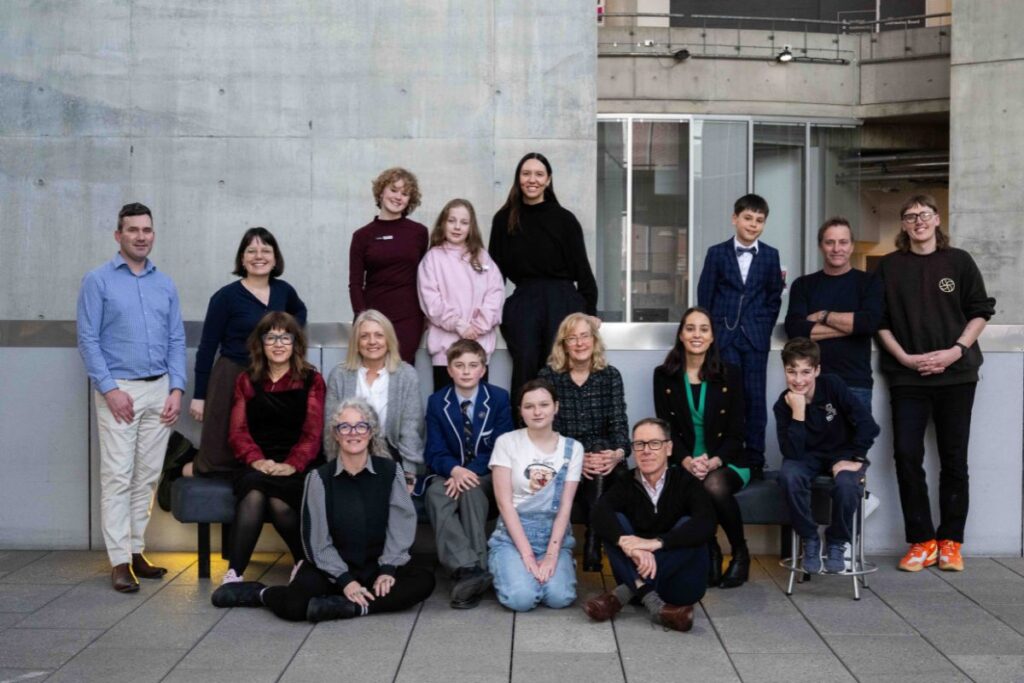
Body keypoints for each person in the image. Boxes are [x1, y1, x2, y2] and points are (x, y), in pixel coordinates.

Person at [212, 398, 436, 621]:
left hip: (376, 565)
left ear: (370, 432)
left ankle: (353, 608)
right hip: (331, 569)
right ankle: (259, 593)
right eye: (344, 427)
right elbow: (317, 543)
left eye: (361, 426)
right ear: (336, 434)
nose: (353, 433)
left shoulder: (391, 471)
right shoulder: (319, 478)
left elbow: (401, 524)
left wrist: (388, 568)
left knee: (424, 581)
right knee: (294, 607)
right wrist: (346, 580)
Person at [876, 194, 995, 573]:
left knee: (954, 459)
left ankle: (950, 541)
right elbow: (879, 321)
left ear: (937, 218)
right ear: (903, 225)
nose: (918, 221)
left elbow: (980, 312)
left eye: (924, 214)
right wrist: (905, 358)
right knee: (907, 456)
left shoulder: (959, 261)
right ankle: (922, 541)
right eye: (911, 216)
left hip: (957, 374)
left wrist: (955, 351)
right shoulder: (889, 267)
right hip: (906, 375)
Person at [76, 202, 186, 593]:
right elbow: (87, 339)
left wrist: (176, 388)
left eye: (147, 230)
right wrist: (109, 390)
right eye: (133, 230)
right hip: (119, 390)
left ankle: (137, 549)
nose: (141, 236)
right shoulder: (98, 280)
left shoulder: (164, 283)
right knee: (118, 476)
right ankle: (119, 561)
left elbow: (176, 338)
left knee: (147, 477)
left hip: (160, 390)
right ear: (118, 235)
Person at [208, 312, 325, 592]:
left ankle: (302, 562)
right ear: (260, 343)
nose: (278, 343)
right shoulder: (247, 379)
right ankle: (234, 574)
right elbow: (238, 432)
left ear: (295, 343)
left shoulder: (312, 379)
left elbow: (313, 433)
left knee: (278, 499)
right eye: (270, 337)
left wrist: (292, 465)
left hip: (299, 462)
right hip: (256, 461)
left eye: (285, 337)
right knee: (255, 491)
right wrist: (256, 460)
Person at [189, 228, 307, 475]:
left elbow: (300, 313)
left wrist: (288, 342)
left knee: (261, 451)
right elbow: (207, 347)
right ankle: (180, 472)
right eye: (251, 251)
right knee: (219, 456)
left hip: (269, 378)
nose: (258, 256)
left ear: (275, 258)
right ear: (242, 259)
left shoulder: (284, 291)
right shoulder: (225, 297)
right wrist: (199, 396)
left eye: (266, 250)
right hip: (231, 376)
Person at [584, 418, 716, 632]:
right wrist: (630, 545)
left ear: (669, 447)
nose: (646, 450)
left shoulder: (686, 482)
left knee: (690, 526)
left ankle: (622, 594)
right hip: (639, 576)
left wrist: (657, 544)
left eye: (654, 443)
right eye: (639, 444)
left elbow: (707, 523)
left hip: (681, 588)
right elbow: (599, 513)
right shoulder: (626, 482)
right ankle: (656, 605)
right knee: (614, 526)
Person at [489, 152, 598, 397]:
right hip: (525, 299)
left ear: (548, 180)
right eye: (526, 173)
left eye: (539, 174)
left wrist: (590, 312)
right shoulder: (504, 219)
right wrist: (487, 312)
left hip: (562, 298)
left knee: (558, 365)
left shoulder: (565, 219)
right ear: (518, 178)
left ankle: (561, 430)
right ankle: (522, 429)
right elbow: (493, 274)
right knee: (525, 362)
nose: (532, 179)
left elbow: (583, 270)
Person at [654, 307, 749, 588]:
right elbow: (665, 430)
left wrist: (713, 461)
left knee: (713, 484)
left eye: (704, 329)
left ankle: (740, 552)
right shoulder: (664, 375)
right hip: (682, 461)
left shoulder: (730, 374)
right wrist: (686, 461)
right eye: (691, 328)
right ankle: (709, 550)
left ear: (712, 337)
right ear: (681, 335)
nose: (697, 334)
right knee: (695, 483)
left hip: (726, 462)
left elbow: (736, 432)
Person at [774, 338, 879, 574]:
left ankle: (837, 542)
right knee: (789, 476)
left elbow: (868, 425)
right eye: (792, 372)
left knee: (846, 484)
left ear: (817, 370)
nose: (798, 380)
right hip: (806, 458)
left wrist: (857, 459)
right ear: (784, 371)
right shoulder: (783, 404)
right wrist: (798, 412)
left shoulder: (832, 385)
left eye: (805, 372)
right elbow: (791, 452)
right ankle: (810, 539)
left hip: (842, 453)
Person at [697, 193, 784, 478]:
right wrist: (711, 335)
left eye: (760, 220)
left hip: (755, 339)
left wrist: (763, 325)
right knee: (727, 398)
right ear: (735, 219)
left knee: (755, 398)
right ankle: (728, 456)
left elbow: (774, 297)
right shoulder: (716, 253)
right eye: (748, 218)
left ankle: (755, 458)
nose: (753, 224)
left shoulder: (771, 255)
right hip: (724, 339)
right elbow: (705, 296)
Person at [423, 339, 514, 608]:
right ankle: (470, 570)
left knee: (472, 490)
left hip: (486, 473)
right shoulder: (438, 402)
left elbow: (502, 445)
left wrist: (467, 472)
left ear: (483, 369)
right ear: (449, 369)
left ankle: (469, 571)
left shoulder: (498, 398)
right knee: (436, 493)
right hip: (449, 472)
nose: (466, 371)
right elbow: (434, 451)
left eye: (473, 365)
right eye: (459, 365)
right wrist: (454, 470)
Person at [538, 313, 630, 572]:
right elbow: (543, 431)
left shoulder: (610, 376)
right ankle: (593, 544)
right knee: (594, 460)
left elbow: (620, 428)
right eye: (572, 338)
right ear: (563, 344)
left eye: (584, 336)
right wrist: (574, 462)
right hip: (562, 459)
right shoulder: (549, 377)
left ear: (594, 340)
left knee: (601, 454)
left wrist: (617, 454)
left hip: (603, 462)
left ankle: (592, 541)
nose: (579, 343)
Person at [487, 379, 583, 612]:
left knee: (559, 598)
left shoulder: (573, 448)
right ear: (520, 411)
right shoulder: (507, 442)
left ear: (556, 407)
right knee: (522, 599)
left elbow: (565, 506)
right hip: (513, 535)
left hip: (554, 535)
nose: (537, 412)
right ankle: (503, 563)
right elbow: (504, 504)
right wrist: (528, 556)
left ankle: (559, 565)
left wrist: (551, 556)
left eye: (544, 404)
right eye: (529, 406)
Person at [785, 217, 882, 413]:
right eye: (830, 242)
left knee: (855, 443)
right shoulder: (803, 285)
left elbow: (869, 324)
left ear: (852, 246)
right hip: (810, 384)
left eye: (843, 242)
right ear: (821, 246)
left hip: (855, 383)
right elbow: (795, 330)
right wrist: (852, 327)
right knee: (812, 443)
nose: (837, 248)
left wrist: (823, 315)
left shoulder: (869, 282)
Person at [324, 309, 424, 488]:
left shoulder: (406, 375)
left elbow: (411, 430)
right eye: (365, 336)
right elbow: (330, 428)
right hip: (348, 451)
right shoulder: (339, 375)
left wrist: (409, 474)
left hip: (390, 455)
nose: (372, 342)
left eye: (379, 335)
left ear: (389, 339)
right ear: (356, 342)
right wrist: (336, 467)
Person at [417, 198, 505, 391]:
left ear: (471, 227)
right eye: (452, 221)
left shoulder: (482, 256)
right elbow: (431, 302)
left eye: (464, 223)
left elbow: (495, 293)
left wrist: (478, 326)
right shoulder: (432, 258)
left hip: (478, 349)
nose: (457, 227)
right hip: (445, 353)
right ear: (443, 223)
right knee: (447, 409)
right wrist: (460, 325)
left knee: (477, 411)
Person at [349, 167, 429, 364]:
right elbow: (356, 284)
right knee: (371, 372)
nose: (398, 197)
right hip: (373, 317)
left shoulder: (419, 232)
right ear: (381, 191)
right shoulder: (362, 236)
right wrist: (363, 318)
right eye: (394, 190)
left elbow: (425, 278)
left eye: (405, 193)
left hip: (409, 317)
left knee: (401, 371)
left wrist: (427, 316)